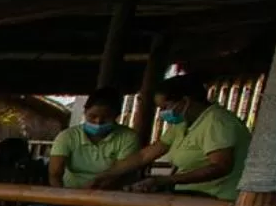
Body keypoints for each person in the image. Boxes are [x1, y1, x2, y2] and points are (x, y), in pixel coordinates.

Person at [93, 73, 250, 198]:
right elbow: (143, 156)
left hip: (216, 199)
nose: (162, 113)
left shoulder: (217, 122)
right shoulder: (182, 124)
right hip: (191, 196)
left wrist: (165, 181)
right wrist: (105, 175)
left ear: (185, 101)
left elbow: (220, 166)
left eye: (165, 107)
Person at [48, 87, 138, 189]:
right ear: (85, 112)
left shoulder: (128, 137)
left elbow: (118, 174)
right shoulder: (67, 136)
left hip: (111, 195)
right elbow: (55, 174)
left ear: (116, 116)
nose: (98, 121)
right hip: (70, 193)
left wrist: (92, 191)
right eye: (92, 116)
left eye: (106, 117)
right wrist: (61, 197)